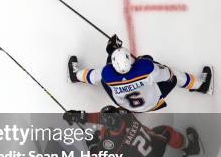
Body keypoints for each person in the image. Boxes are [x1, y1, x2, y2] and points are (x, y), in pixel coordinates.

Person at [68, 35, 213, 112]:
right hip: (152, 103)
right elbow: (167, 75)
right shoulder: (145, 68)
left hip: (126, 105)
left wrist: (111, 50)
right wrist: (149, 62)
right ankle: (201, 86)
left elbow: (92, 76)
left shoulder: (107, 72)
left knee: (100, 77)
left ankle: (74, 77)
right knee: (174, 74)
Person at [63, 106, 201, 157]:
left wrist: (93, 146)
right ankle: (189, 147)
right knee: (166, 130)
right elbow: (104, 118)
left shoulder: (110, 144)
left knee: (114, 151)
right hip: (155, 147)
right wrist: (81, 116)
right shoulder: (125, 114)